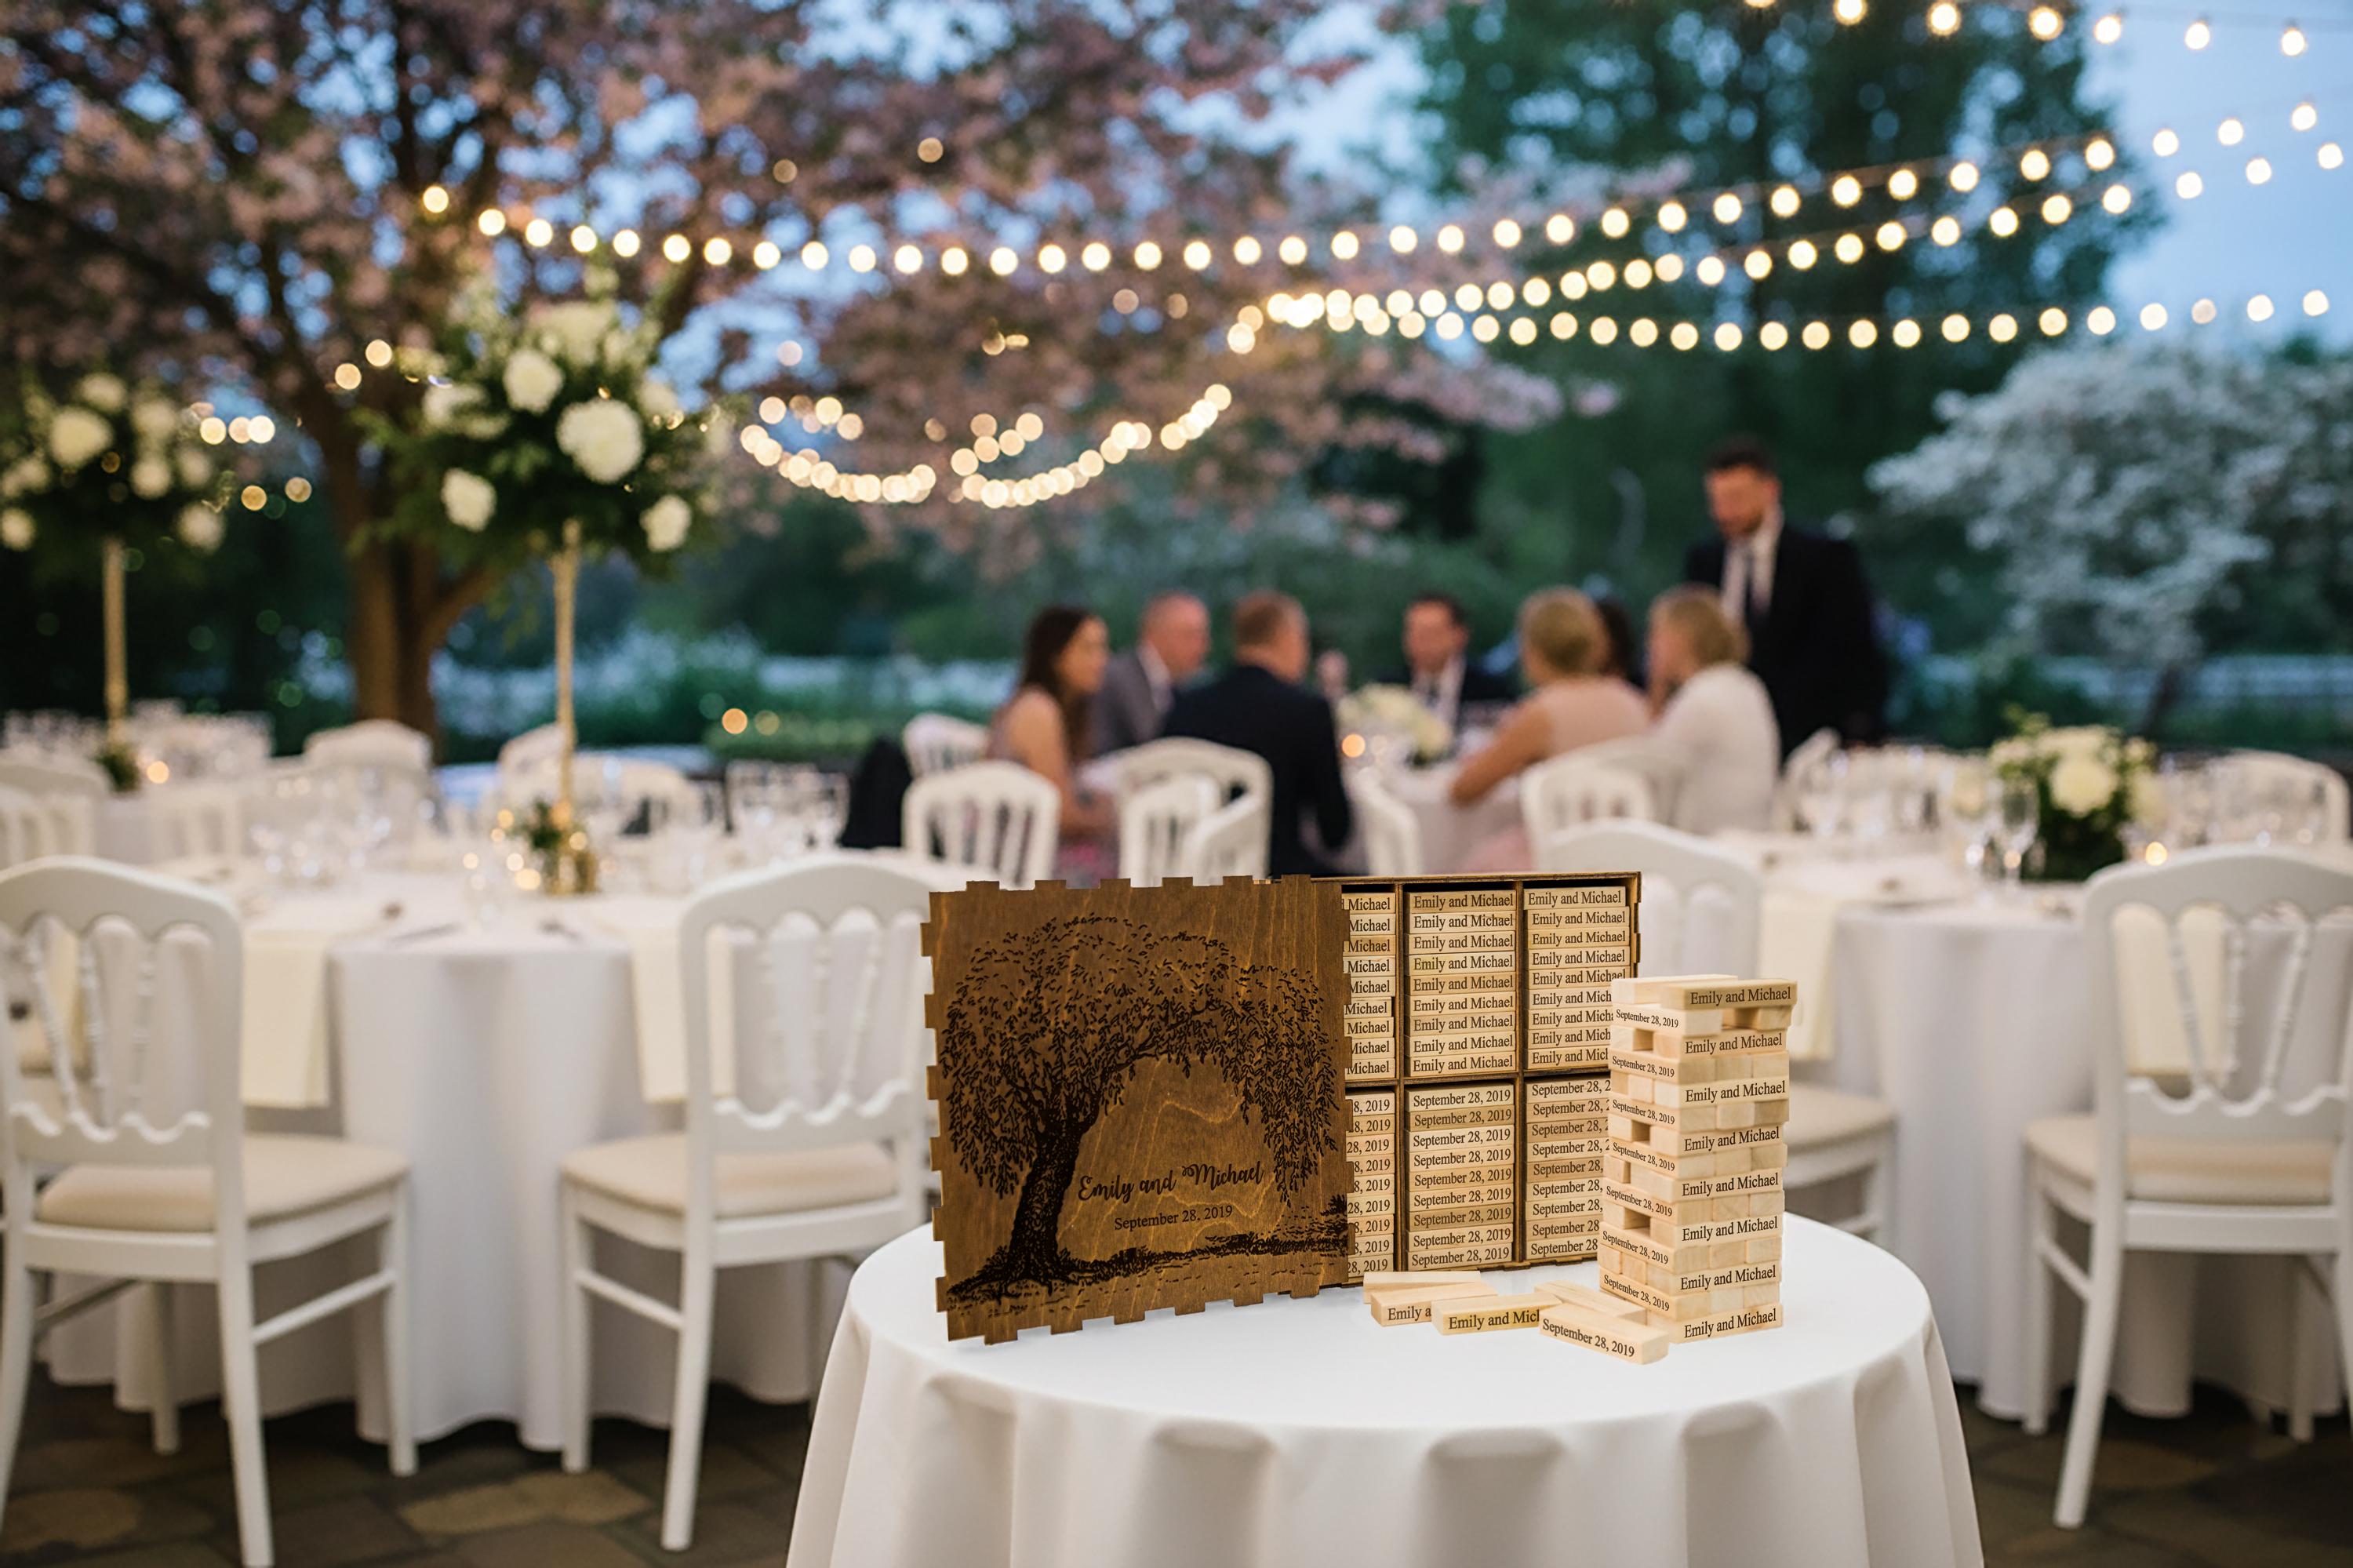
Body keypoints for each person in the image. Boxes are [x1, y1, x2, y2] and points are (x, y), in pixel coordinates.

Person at [1681, 436, 1886, 755]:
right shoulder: (1704, 561)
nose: (1723, 512)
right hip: (1725, 736)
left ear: (1769, 490)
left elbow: (1857, 649)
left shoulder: (1825, 558)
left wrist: (1860, 727)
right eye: (1716, 500)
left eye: (1735, 498)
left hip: (1809, 734)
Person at [1163, 590, 1353, 877]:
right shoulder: (1307, 710)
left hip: (1190, 882)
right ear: (1287, 637)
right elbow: (1335, 833)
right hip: (1280, 884)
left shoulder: (1185, 705)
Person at [1449, 588, 1651, 809]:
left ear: (1531, 650)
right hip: (1629, 839)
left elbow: (1463, 790)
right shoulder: (1634, 702)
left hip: (1565, 840)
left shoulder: (1542, 713)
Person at [1641, 587, 1780, 833]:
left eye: (1656, 634)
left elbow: (1648, 776)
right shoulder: (1747, 686)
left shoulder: (1701, 699)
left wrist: (1657, 688)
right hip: (1753, 833)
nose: (1650, 645)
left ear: (1681, 638)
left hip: (1709, 845)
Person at [990, 606, 1115, 876]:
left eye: (1103, 648)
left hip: (1033, 849)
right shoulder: (1038, 710)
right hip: (1014, 861)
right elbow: (1062, 816)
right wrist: (1117, 814)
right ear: (1056, 656)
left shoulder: (1063, 711)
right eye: (1087, 649)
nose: (1102, 660)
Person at [1092, 590, 1211, 755]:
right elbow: (1152, 746)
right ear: (1153, 634)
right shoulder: (1119, 679)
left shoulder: (1179, 685)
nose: (1203, 647)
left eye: (1203, 636)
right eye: (1190, 635)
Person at [1386, 591, 1515, 732]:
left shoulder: (1492, 689)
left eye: (1431, 632)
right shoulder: (1388, 687)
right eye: (1413, 631)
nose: (1420, 641)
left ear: (1460, 636)